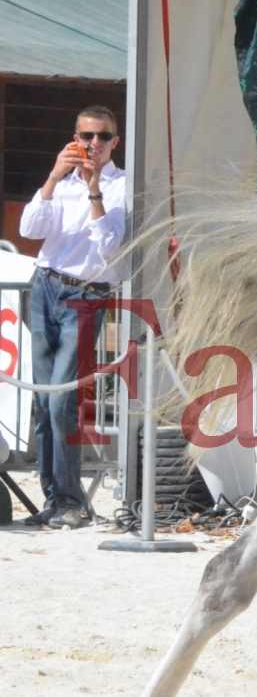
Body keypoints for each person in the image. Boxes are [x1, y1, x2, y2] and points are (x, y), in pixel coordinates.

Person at [19, 106, 127, 529]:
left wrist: (95, 190)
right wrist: (51, 178)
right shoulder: (62, 182)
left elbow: (110, 248)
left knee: (62, 397)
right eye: (86, 136)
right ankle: (55, 499)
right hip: (45, 285)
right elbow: (30, 228)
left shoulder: (121, 186)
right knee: (43, 398)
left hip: (86, 294)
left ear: (115, 142)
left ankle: (70, 499)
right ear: (75, 137)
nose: (93, 144)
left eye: (102, 137)